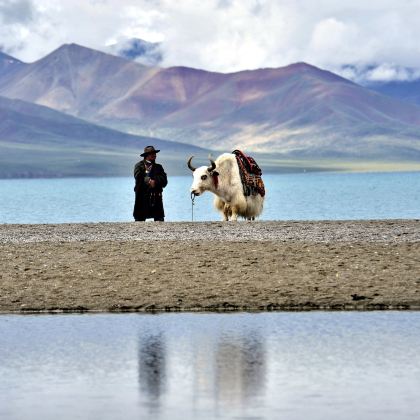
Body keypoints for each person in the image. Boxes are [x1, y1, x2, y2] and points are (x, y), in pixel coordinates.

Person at [133, 145, 168, 222]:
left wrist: (155, 182)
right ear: (146, 156)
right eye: (152, 153)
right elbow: (138, 177)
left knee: (159, 221)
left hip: (156, 197)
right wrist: (148, 180)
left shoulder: (159, 167)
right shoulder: (139, 166)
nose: (154, 155)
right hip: (142, 197)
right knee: (139, 222)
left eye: (155, 153)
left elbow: (164, 181)